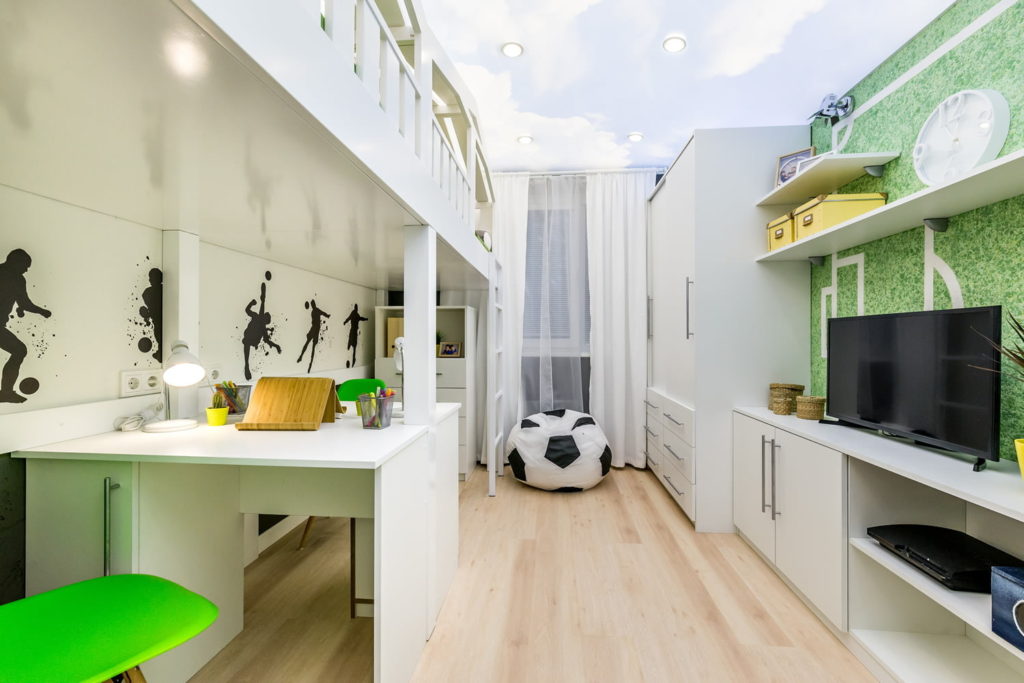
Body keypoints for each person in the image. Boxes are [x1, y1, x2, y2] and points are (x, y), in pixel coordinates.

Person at [0, 249, 51, 403]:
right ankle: (6, 392)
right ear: (15, 262)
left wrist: (40, 311)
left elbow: (24, 303)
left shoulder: (18, 279)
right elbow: (25, 304)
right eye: (25, 265)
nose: (27, 269)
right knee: (19, 350)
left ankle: (6, 393)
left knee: (19, 350)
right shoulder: (16, 279)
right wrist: (42, 311)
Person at [242, 274, 281, 380]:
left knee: (247, 346)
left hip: (251, 339)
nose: (265, 319)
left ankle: (246, 365)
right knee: (247, 346)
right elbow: (251, 308)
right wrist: (253, 302)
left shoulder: (262, 325)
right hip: (249, 338)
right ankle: (246, 366)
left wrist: (276, 345)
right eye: (266, 317)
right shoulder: (257, 317)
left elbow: (267, 341)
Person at [297, 299, 330, 373]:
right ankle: (305, 359)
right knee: (311, 346)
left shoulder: (314, 311)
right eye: (312, 304)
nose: (312, 305)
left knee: (309, 345)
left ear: (313, 305)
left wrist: (327, 315)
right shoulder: (315, 311)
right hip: (315, 329)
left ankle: (304, 358)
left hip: (314, 330)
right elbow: (322, 314)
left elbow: (322, 314)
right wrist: (327, 315)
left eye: (312, 304)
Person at [343, 303, 368, 369]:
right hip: (354, 330)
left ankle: (352, 357)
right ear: (356, 308)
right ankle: (352, 357)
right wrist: (365, 319)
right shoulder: (355, 314)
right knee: (353, 345)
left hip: (353, 330)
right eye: (356, 307)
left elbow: (350, 318)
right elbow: (360, 318)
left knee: (352, 343)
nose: (356, 308)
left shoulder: (354, 314)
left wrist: (345, 322)